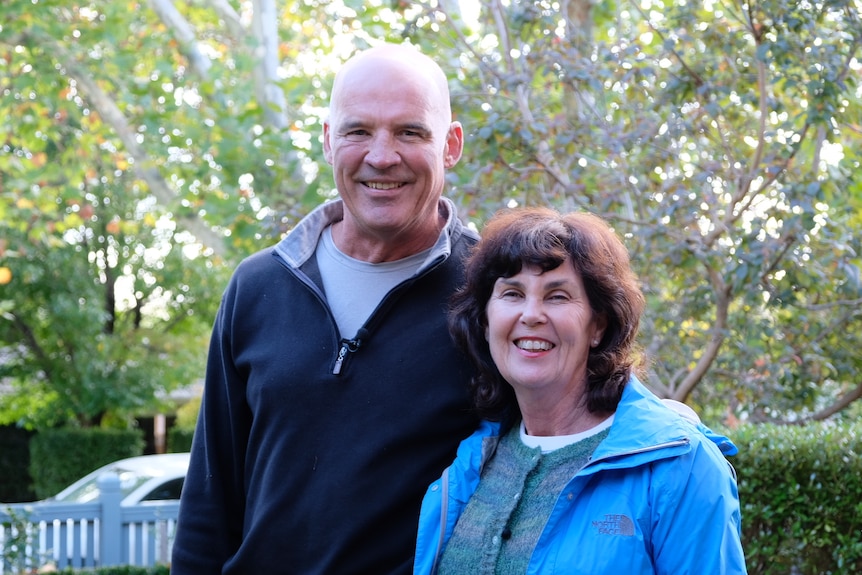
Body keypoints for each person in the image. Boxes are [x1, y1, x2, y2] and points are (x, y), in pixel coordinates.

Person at [171, 43, 480, 574]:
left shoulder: (493, 294)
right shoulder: (258, 285)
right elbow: (209, 498)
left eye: (410, 131)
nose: (381, 156)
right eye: (358, 130)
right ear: (327, 140)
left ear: (450, 145)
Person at [414, 207, 747, 574]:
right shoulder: (469, 460)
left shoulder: (681, 466)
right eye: (512, 293)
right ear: (485, 319)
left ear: (598, 326)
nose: (532, 314)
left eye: (557, 296)